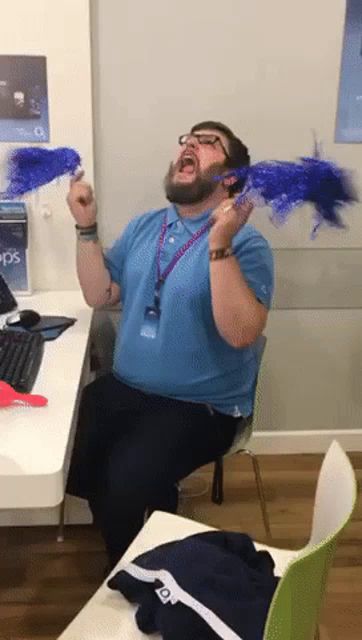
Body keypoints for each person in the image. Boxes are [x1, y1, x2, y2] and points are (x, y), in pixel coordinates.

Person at [66, 120, 274, 569]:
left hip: (201, 405)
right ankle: (153, 511)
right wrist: (87, 227)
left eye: (208, 143)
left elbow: (241, 333)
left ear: (231, 178)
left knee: (124, 484)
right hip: (128, 388)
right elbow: (100, 295)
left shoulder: (248, 245)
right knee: (73, 455)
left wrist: (220, 243)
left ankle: (131, 572)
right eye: (188, 140)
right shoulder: (146, 227)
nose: (191, 145)